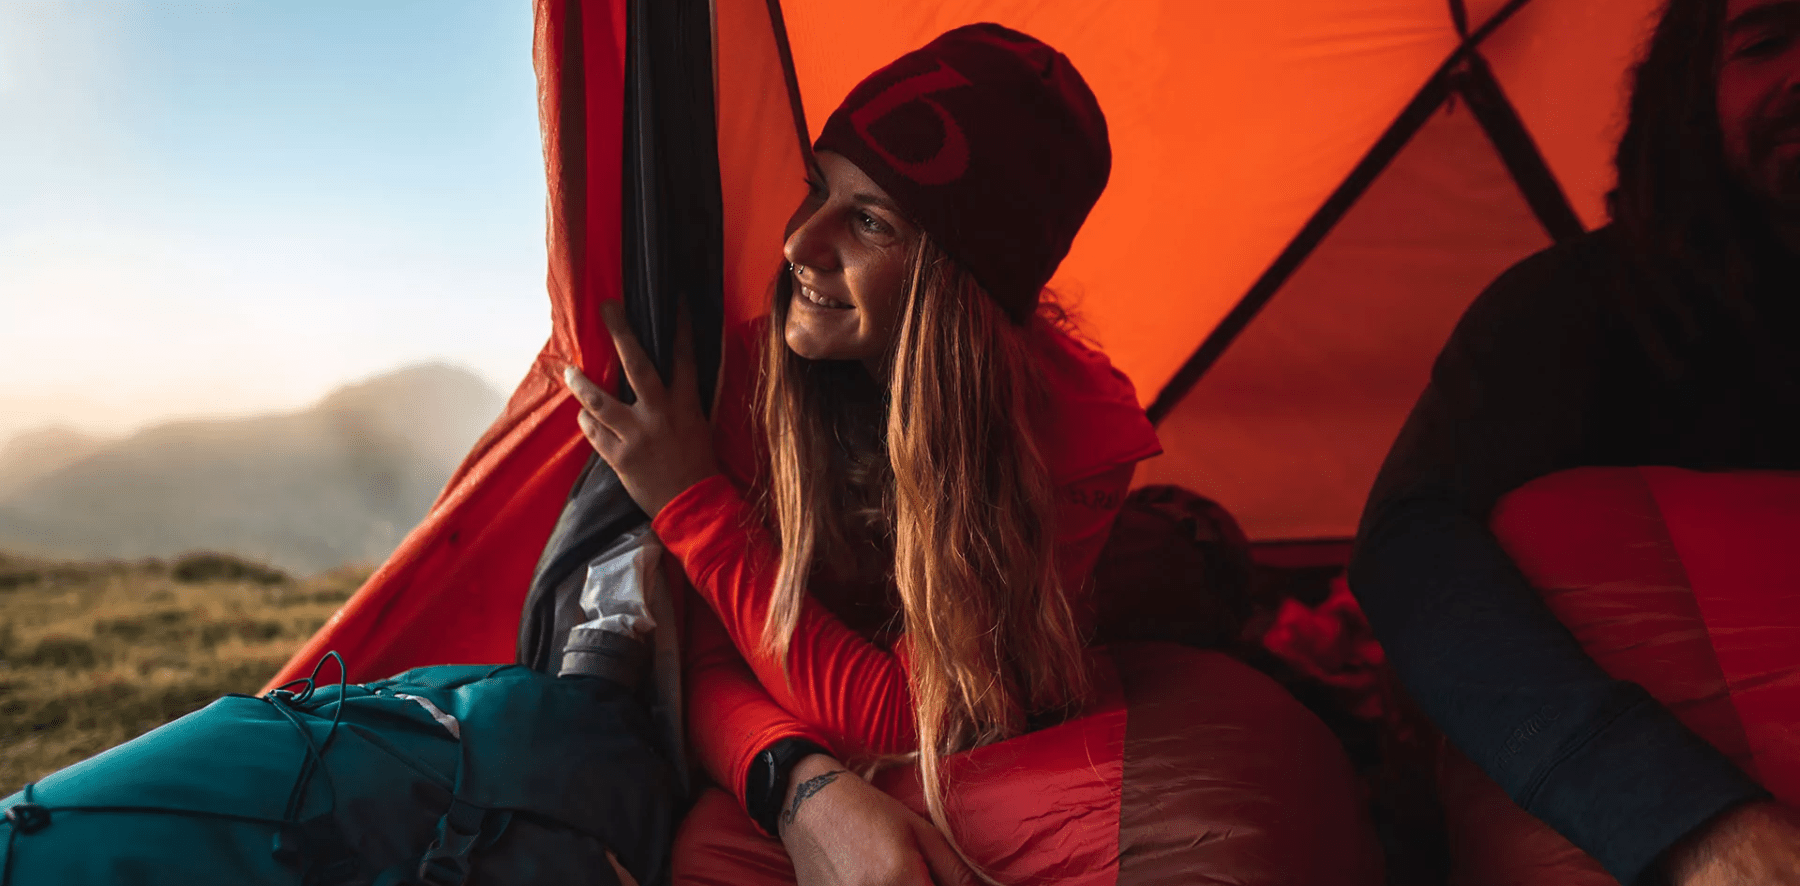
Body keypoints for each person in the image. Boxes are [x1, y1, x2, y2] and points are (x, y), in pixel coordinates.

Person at [564, 24, 1162, 884]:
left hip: (950, 740)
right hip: (799, 751)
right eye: (817, 189)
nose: (801, 243)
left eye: (870, 220)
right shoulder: (749, 376)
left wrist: (694, 503)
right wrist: (795, 783)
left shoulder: (1077, 434)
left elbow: (895, 713)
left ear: (956, 286)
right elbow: (706, 656)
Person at [1350, 0, 1800, 884]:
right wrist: (1687, 822)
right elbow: (1410, 551)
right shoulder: (1573, 311)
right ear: (1690, 94)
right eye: (1765, 41)